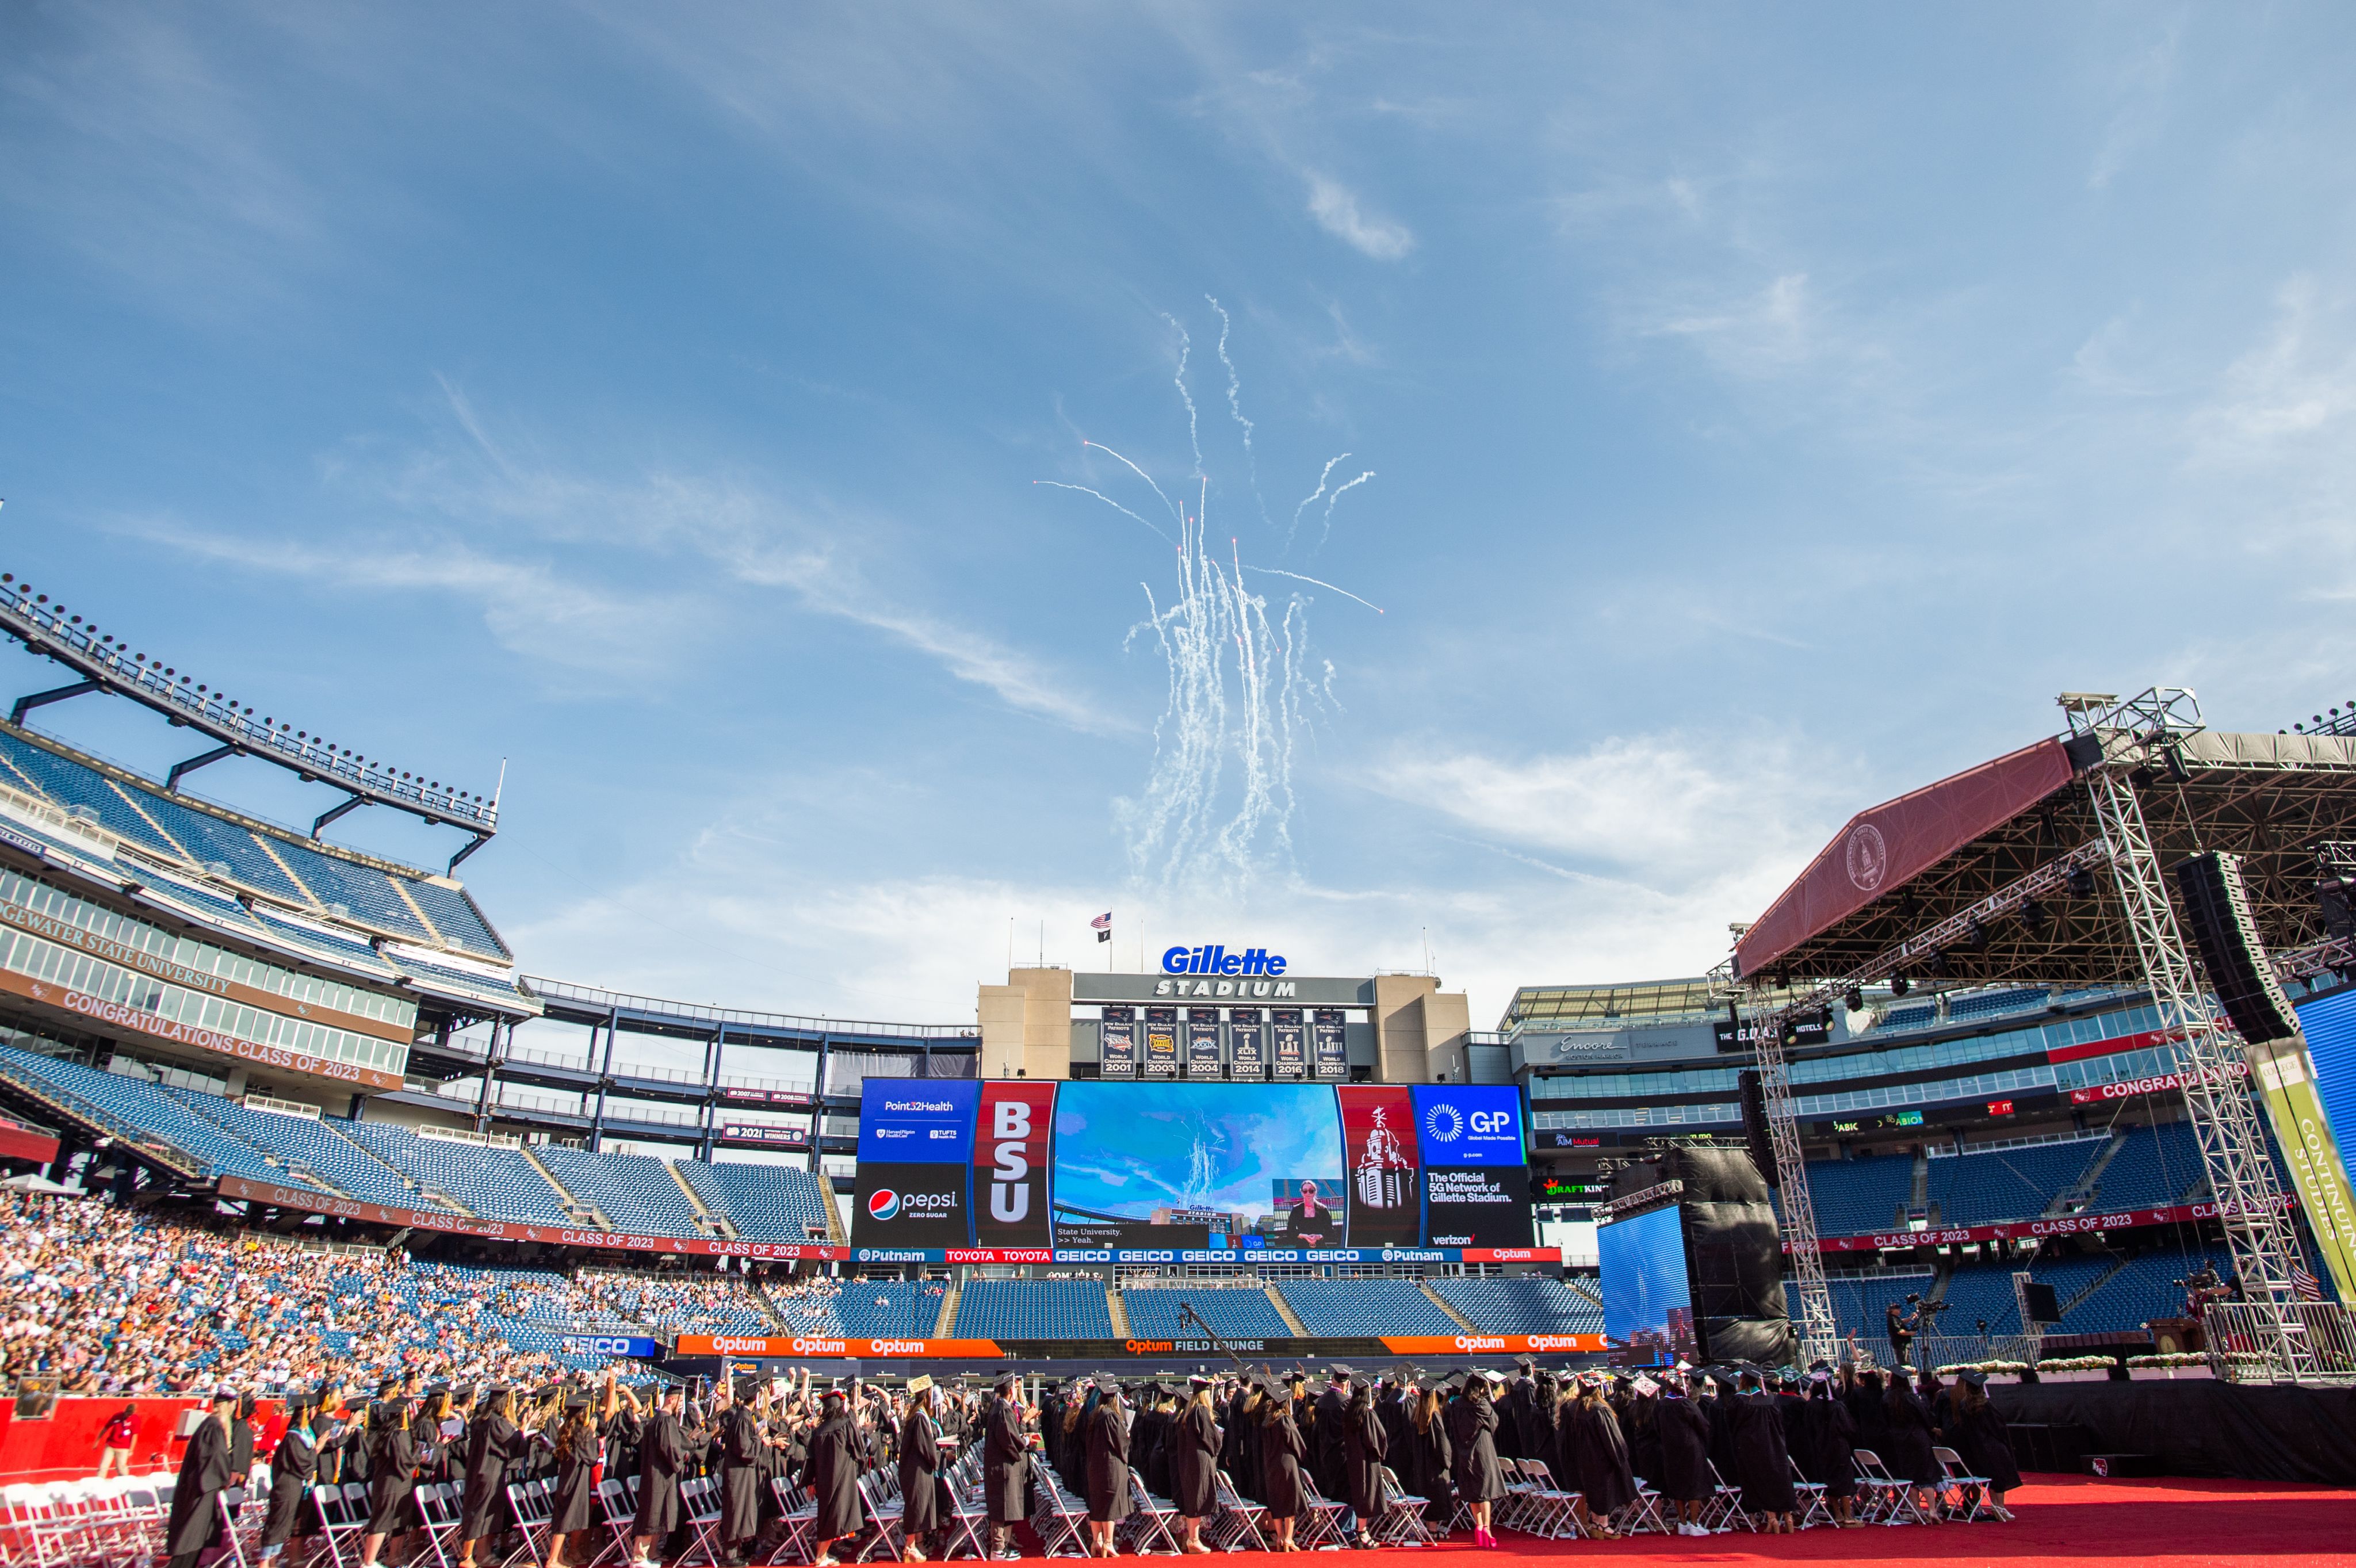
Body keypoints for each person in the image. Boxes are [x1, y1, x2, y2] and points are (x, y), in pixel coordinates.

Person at [164, 1387, 239, 1568]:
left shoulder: (209, 1424)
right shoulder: (213, 1427)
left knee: (194, 1540)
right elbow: (216, 1458)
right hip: (203, 1490)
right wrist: (225, 1478)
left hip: (202, 1487)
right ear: (229, 1406)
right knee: (191, 1540)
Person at [546, 1383, 616, 1568]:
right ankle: (553, 1560)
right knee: (566, 1521)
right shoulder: (584, 1432)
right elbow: (593, 1457)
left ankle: (560, 1557)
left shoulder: (566, 1429)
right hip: (577, 1482)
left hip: (567, 1480)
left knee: (564, 1519)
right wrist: (592, 1434)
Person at [461, 1386, 529, 1568]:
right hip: (489, 1473)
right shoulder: (497, 1422)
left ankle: (483, 1555)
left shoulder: (480, 1420)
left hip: (479, 1472)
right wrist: (524, 1430)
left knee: (484, 1515)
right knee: (479, 1515)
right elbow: (516, 1443)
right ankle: (467, 1557)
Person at [1559, 1375, 1635, 1539]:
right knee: (1603, 1489)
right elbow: (1612, 1438)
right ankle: (1602, 1524)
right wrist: (1621, 1457)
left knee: (1592, 1489)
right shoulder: (1600, 1409)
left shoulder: (1572, 1408)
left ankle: (1595, 1522)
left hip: (1580, 1459)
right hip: (1600, 1459)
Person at [360, 1395, 426, 1568]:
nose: (413, 1414)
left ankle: (394, 1557)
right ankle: (368, 1561)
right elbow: (405, 1459)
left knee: (400, 1521)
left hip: (400, 1483)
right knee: (382, 1521)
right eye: (411, 1411)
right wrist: (421, 1456)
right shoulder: (396, 1434)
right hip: (390, 1484)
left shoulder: (397, 1433)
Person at [804, 1383, 866, 1568]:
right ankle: (820, 1557)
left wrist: (811, 1481)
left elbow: (811, 1459)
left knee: (827, 1516)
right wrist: (861, 1465)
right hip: (842, 1479)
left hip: (824, 1481)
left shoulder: (819, 1431)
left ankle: (822, 1556)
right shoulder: (846, 1424)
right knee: (835, 1518)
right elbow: (859, 1450)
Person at [1946, 1370, 2020, 1520]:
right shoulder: (1986, 1405)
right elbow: (1998, 1427)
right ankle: (2000, 1507)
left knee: (1992, 1479)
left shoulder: (1964, 1406)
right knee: (1999, 1479)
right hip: (1993, 1446)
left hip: (1978, 1448)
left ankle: (1998, 1509)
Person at [258, 1393, 320, 1565]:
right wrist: (318, 1449)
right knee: (277, 1526)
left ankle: (272, 1562)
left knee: (283, 1527)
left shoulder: (300, 1434)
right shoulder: (293, 1437)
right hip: (286, 1488)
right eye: (313, 1410)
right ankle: (263, 1563)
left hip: (293, 1488)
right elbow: (303, 1463)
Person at [1730, 1371, 1794, 1534]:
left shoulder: (1740, 1400)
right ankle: (1788, 1517)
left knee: (1762, 1480)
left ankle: (1772, 1519)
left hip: (1752, 1447)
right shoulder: (1771, 1398)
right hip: (1775, 1445)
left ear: (1743, 1380)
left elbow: (1733, 1425)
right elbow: (1780, 1423)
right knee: (1780, 1479)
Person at [1446, 1373, 1505, 1550]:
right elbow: (1494, 1421)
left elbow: (1453, 1428)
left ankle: (1478, 1526)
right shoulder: (1481, 1404)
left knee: (1473, 1490)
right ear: (1480, 1389)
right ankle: (1487, 1528)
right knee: (1484, 1491)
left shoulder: (1456, 1405)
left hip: (1464, 1451)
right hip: (1482, 1451)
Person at [1651, 1373, 1714, 1538]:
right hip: (1690, 1449)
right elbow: (1702, 1425)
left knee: (1677, 1485)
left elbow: (1656, 1427)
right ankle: (1694, 1524)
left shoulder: (1660, 1405)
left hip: (1671, 1449)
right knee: (1694, 1486)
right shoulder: (1686, 1404)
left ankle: (1683, 1523)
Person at [1169, 1375, 1221, 1555]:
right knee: (1197, 1499)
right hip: (1200, 1462)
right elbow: (1211, 1438)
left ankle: (1194, 1538)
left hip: (1189, 1462)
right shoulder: (1201, 1412)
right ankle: (1194, 1539)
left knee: (1193, 1500)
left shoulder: (1188, 1413)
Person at [1880, 1370, 1942, 1517]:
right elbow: (1925, 1416)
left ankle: (1918, 1510)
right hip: (1917, 1437)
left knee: (1910, 1476)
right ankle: (1932, 1510)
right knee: (1926, 1475)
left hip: (1899, 1440)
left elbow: (1884, 1420)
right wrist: (1931, 1426)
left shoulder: (1886, 1398)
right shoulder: (1911, 1398)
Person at [1800, 1372, 1859, 1526]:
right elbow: (1849, 1429)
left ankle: (1838, 1515)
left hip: (1821, 1447)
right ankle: (1848, 1516)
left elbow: (1808, 1428)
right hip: (1839, 1447)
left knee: (1830, 1479)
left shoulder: (1811, 1406)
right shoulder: (1838, 1406)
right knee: (1844, 1481)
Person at [982, 1374, 1030, 1562]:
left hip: (1002, 1466)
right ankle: (998, 1549)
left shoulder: (1000, 1408)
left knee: (1006, 1507)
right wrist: (1025, 1440)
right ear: (1011, 1390)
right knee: (1001, 1507)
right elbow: (1009, 1440)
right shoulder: (1002, 1410)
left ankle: (1004, 1546)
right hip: (1002, 1468)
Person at [1256, 1380, 1307, 1552]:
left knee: (1277, 1501)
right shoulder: (1285, 1420)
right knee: (1290, 1501)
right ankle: (1288, 1539)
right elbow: (1297, 1444)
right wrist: (1302, 1455)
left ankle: (1278, 1537)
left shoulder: (1267, 1421)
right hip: (1287, 1465)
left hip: (1271, 1465)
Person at [1084, 1378, 1132, 1556]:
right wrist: (1127, 1436)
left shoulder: (1095, 1415)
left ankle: (1096, 1541)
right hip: (1110, 1468)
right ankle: (1108, 1542)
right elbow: (1121, 1442)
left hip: (1095, 1466)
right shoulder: (1111, 1416)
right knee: (1110, 1505)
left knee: (1097, 1504)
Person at [899, 1380, 944, 1562]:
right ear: (926, 1397)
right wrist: (939, 1456)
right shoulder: (919, 1417)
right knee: (916, 1508)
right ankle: (909, 1547)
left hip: (917, 1469)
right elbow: (926, 1447)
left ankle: (912, 1546)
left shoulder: (918, 1415)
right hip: (916, 1471)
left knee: (918, 1507)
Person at [1341, 1376, 1387, 1548]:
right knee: (1366, 1495)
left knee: (1360, 1494)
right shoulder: (1366, 1413)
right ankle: (1363, 1532)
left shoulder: (1348, 1412)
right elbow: (1377, 1439)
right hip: (1367, 1461)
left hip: (1353, 1460)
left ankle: (1361, 1531)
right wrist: (1380, 1452)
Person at [1402, 1382, 1452, 1529]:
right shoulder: (1434, 1416)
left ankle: (1427, 1527)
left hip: (1420, 1464)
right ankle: (1433, 1529)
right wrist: (1447, 1461)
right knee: (1435, 1496)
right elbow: (1442, 1443)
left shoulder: (1414, 1416)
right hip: (1434, 1465)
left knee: (1425, 1493)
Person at [98, 1405, 138, 1478]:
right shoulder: (117, 1416)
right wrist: (97, 1440)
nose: (128, 1416)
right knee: (103, 1467)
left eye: (130, 1415)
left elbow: (135, 1436)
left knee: (121, 1468)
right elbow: (106, 1428)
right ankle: (99, 1484)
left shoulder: (135, 1419)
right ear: (125, 1411)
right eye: (127, 1414)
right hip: (111, 1445)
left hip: (124, 1448)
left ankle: (126, 1484)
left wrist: (131, 1450)